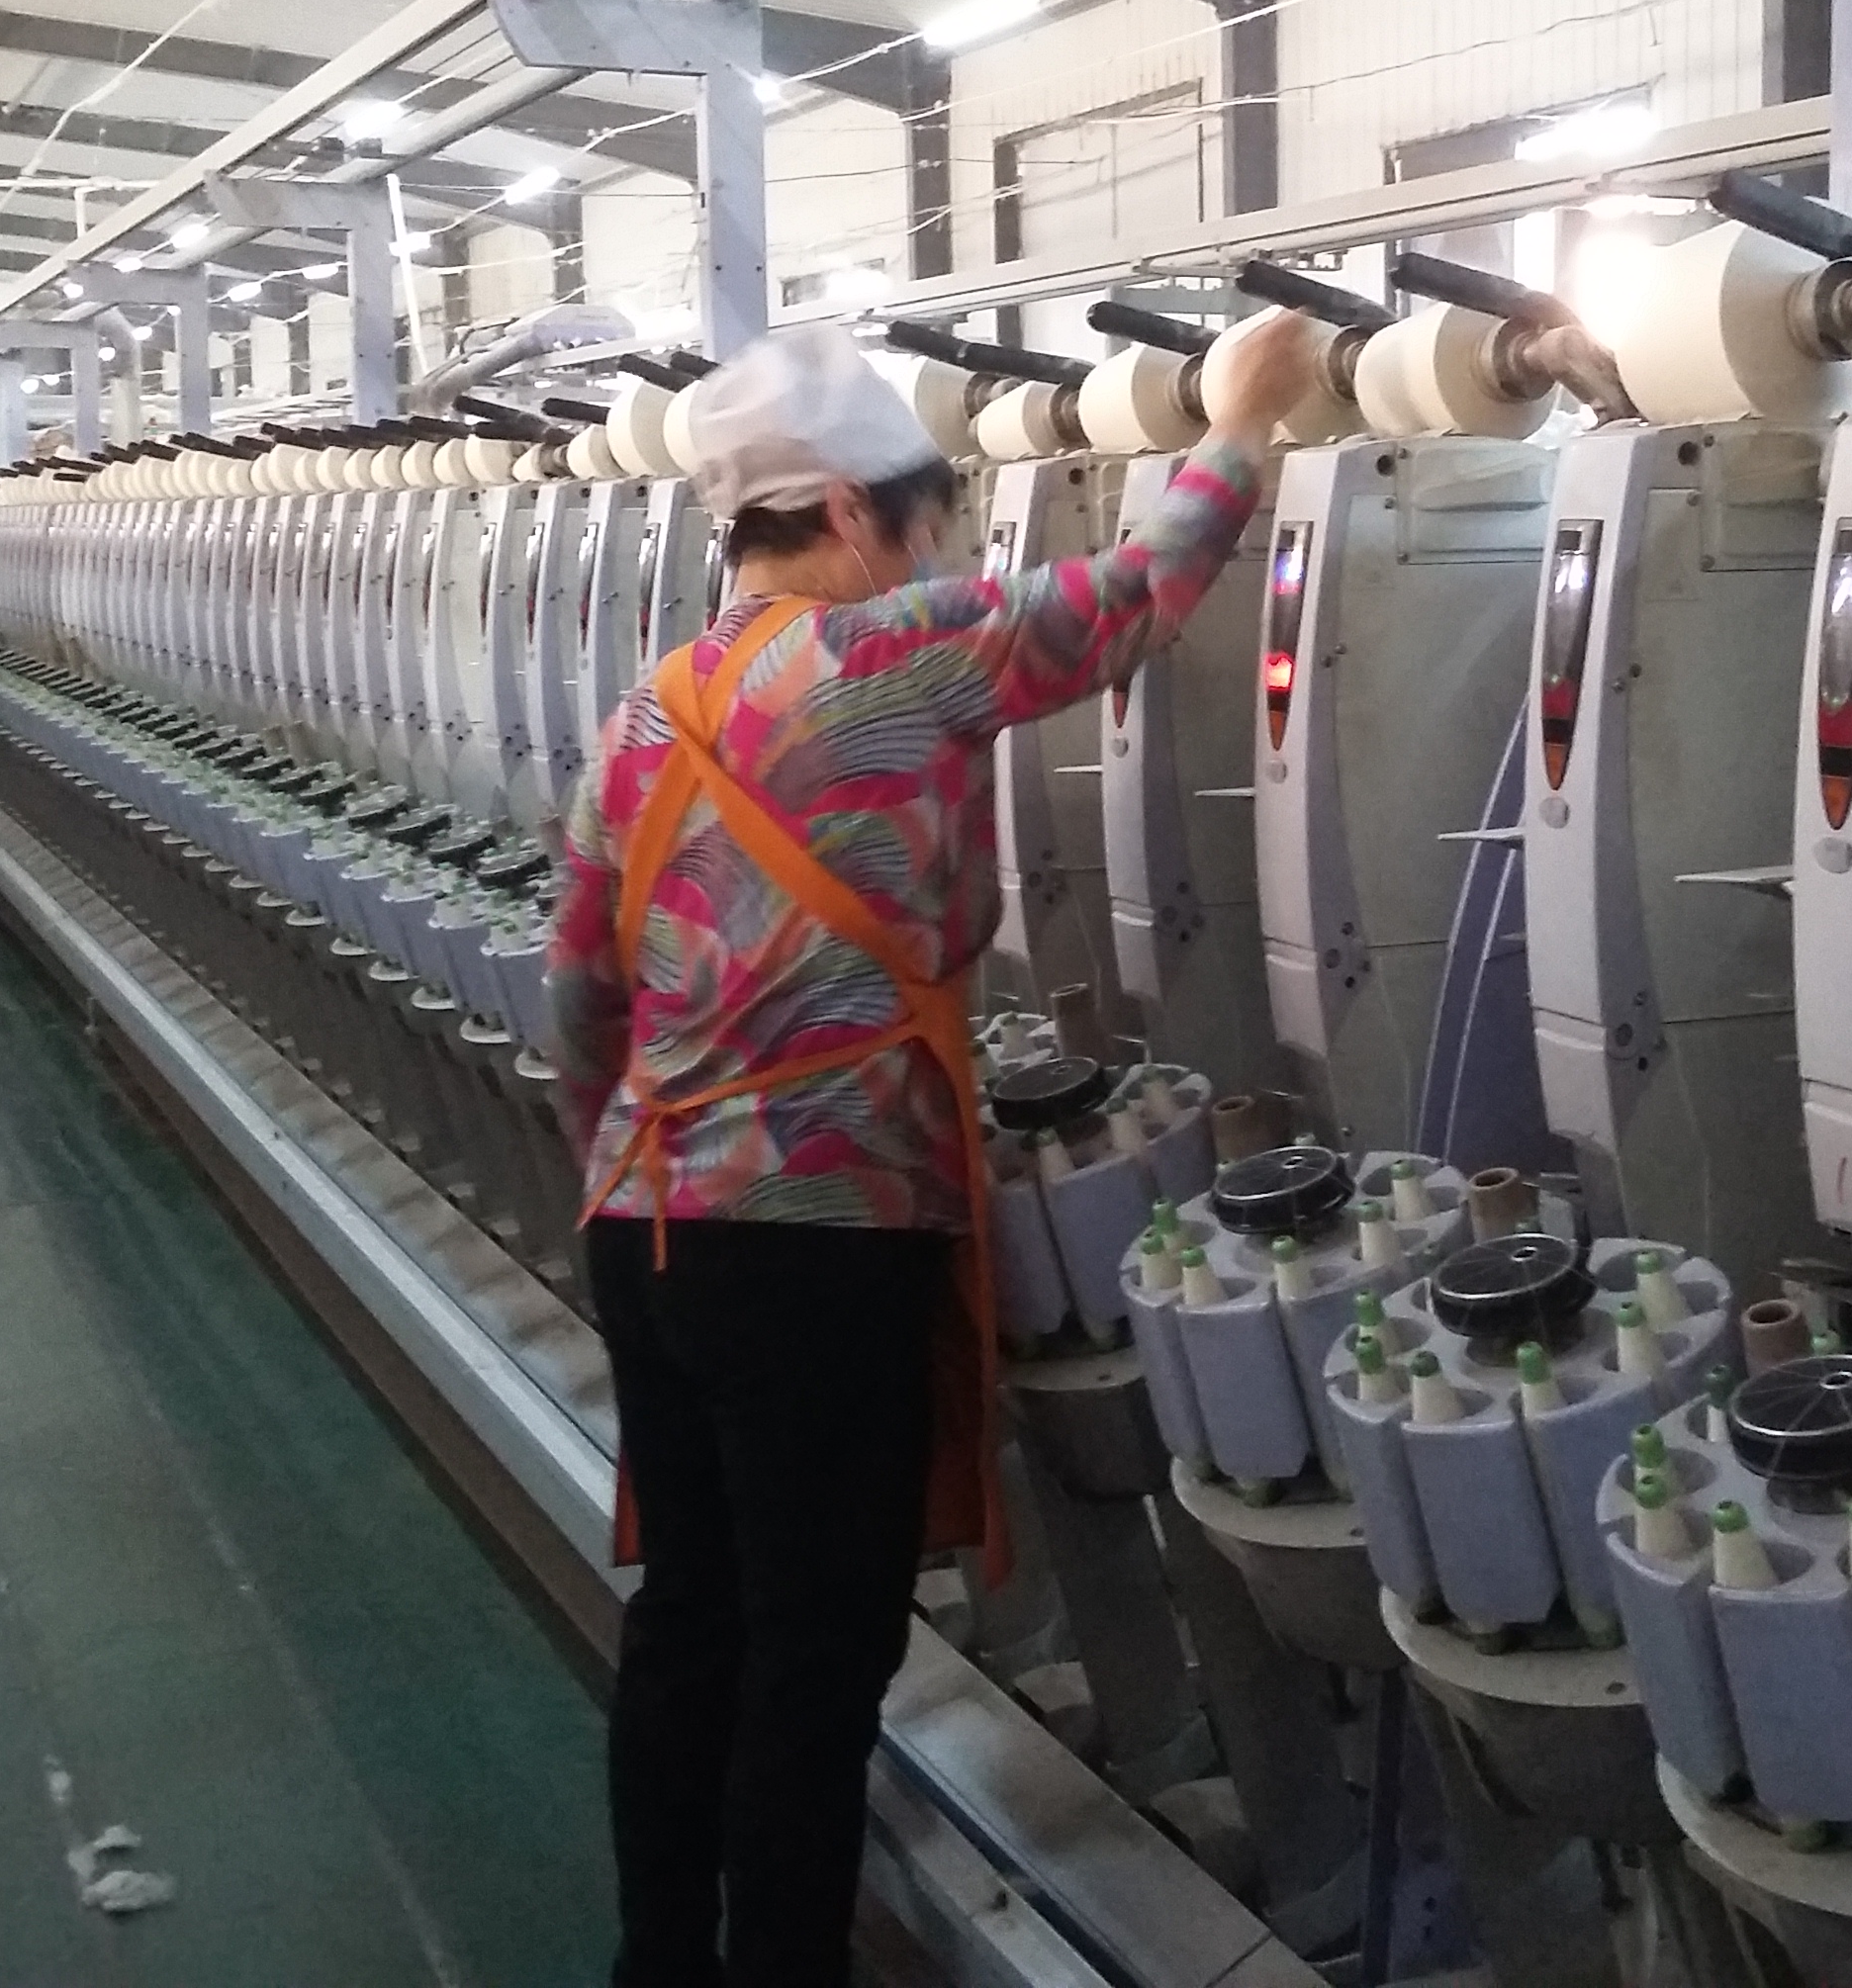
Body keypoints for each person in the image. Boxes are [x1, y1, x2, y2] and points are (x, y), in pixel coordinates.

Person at [546, 310, 1315, 1988]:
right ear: (844, 511)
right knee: (815, 1656)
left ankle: (658, 1966)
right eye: (927, 516)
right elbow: (1132, 598)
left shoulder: (642, 719)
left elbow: (581, 1000)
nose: (944, 548)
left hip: (647, 1215)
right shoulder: (889, 655)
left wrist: (625, 1172)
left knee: (693, 1620)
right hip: (815, 1238)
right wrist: (1245, 417)